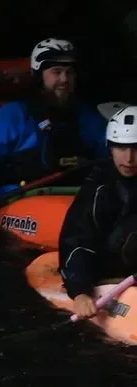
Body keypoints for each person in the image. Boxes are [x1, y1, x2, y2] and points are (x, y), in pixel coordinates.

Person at [0, 39, 106, 217]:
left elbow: (110, 151)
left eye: (69, 73)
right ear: (39, 75)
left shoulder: (86, 116)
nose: (64, 79)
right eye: (57, 72)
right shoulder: (16, 115)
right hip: (19, 201)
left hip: (72, 197)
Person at [58, 105, 137, 315]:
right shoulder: (98, 188)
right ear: (110, 148)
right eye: (121, 148)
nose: (129, 158)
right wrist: (81, 291)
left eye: (136, 148)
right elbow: (76, 242)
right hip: (111, 271)